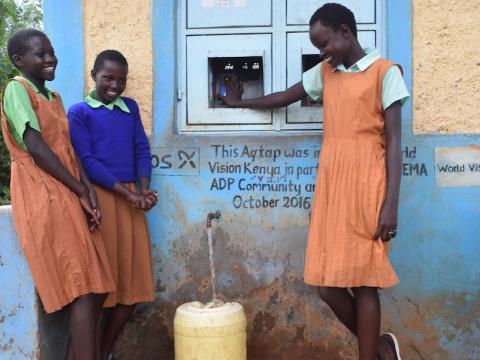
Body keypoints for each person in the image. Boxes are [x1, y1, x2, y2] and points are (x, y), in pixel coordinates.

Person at [219, 3, 409, 360]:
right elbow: (283, 97)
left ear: (345, 33)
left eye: (325, 44)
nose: (322, 52)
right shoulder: (326, 73)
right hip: (332, 182)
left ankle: (371, 355)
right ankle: (382, 346)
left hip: (369, 181)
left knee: (365, 281)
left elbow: (396, 141)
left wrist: (391, 204)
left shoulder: (386, 72)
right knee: (327, 286)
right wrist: (235, 103)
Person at [1, 29, 115, 359]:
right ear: (19, 61)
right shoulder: (16, 89)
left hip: (67, 188)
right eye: (41, 54)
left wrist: (88, 191)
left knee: (95, 287)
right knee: (81, 286)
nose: (50, 58)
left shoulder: (54, 98)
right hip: (43, 191)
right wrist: (79, 189)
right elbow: (36, 147)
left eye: (51, 51)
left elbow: (67, 150)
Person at [67, 49, 157, 360]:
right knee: (103, 288)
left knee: (134, 286)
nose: (115, 85)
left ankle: (101, 352)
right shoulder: (79, 113)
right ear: (93, 75)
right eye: (108, 78)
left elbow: (140, 149)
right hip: (102, 199)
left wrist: (144, 190)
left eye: (122, 79)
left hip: (132, 199)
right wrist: (128, 194)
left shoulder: (129, 108)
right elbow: (87, 161)